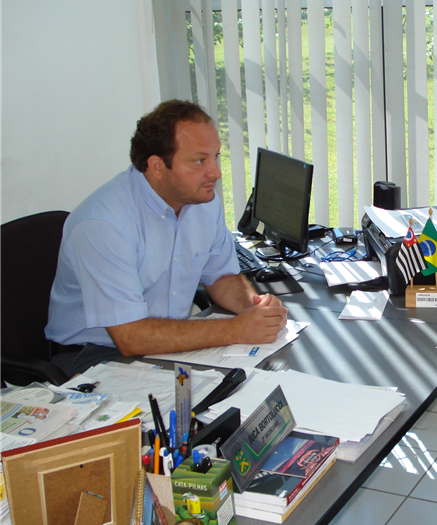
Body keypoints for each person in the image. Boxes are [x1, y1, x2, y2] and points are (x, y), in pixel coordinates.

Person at [46, 100, 287, 376]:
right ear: (157, 166)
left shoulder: (203, 202)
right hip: (96, 355)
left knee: (250, 386)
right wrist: (236, 329)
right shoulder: (103, 224)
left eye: (215, 157)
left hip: (164, 343)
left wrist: (256, 309)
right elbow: (130, 337)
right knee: (199, 412)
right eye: (199, 160)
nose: (216, 173)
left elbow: (222, 278)